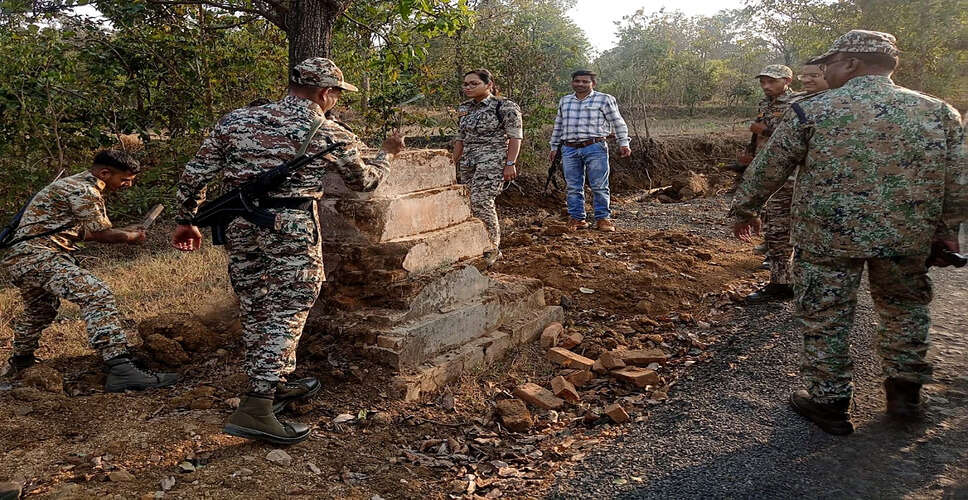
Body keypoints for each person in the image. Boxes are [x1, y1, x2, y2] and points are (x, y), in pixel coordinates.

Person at [730, 30, 967, 435]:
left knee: (826, 315)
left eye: (831, 63)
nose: (825, 70)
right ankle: (905, 395)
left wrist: (745, 209)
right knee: (905, 310)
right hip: (906, 236)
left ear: (852, 63)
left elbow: (770, 167)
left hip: (827, 238)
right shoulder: (939, 112)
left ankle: (830, 403)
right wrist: (948, 231)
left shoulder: (811, 110)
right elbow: (957, 181)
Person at [171, 57, 404, 445]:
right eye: (336, 94)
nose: (335, 100)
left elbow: (194, 175)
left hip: (239, 224)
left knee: (255, 301)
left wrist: (186, 219)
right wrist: (388, 154)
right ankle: (258, 405)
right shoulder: (330, 132)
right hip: (290, 226)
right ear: (325, 93)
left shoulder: (236, 120)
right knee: (289, 307)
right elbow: (364, 182)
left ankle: (272, 381)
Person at [1, 150, 179, 391]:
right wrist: (131, 237)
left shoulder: (73, 184)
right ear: (105, 173)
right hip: (38, 257)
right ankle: (121, 367)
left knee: (40, 309)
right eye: (125, 180)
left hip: (21, 258)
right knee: (96, 294)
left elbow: (79, 232)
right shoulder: (86, 190)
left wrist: (126, 231)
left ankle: (21, 362)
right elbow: (103, 235)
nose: (127, 185)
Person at [738, 64, 798, 302]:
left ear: (787, 81)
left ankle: (782, 282)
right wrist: (750, 153)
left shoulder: (796, 104)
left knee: (780, 223)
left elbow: (795, 135)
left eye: (771, 81)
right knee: (771, 219)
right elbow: (757, 134)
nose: (766, 86)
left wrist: (766, 129)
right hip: (764, 168)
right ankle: (777, 262)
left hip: (786, 172)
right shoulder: (765, 104)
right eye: (763, 82)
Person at [452, 69, 523, 266]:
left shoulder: (504, 106)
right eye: (466, 84)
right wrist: (452, 163)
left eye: (474, 83)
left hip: (493, 161)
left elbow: (515, 137)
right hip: (469, 162)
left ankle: (491, 248)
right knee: (468, 201)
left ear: (489, 85)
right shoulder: (465, 107)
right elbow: (460, 138)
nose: (468, 87)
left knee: (482, 200)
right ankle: (474, 244)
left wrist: (510, 163)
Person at [549, 69, 631, 232]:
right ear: (572, 82)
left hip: (595, 147)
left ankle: (603, 218)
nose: (580, 84)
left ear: (593, 83)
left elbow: (618, 122)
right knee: (573, 186)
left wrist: (624, 143)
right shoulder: (565, 101)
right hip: (569, 148)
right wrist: (554, 146)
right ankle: (577, 218)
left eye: (585, 81)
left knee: (599, 185)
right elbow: (559, 125)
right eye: (577, 81)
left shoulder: (604, 99)